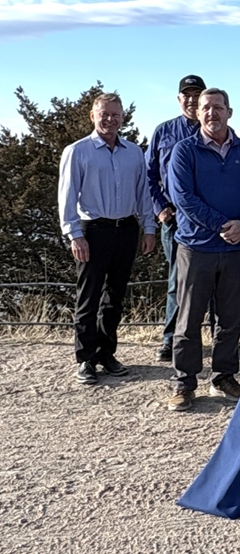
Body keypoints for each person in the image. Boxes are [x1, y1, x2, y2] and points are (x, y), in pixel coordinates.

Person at [166, 88, 240, 412]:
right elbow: (184, 198)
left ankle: (224, 376)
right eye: (206, 107)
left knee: (231, 318)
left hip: (238, 248)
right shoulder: (184, 151)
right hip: (197, 248)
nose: (212, 112)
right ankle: (184, 382)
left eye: (218, 107)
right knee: (189, 318)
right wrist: (223, 224)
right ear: (198, 113)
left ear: (230, 111)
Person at [58, 93, 156, 385]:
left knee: (115, 297)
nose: (110, 119)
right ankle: (85, 358)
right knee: (88, 297)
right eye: (105, 114)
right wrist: (75, 235)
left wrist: (148, 228)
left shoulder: (134, 152)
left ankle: (106, 353)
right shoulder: (77, 151)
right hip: (93, 230)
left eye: (116, 114)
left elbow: (144, 194)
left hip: (126, 229)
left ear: (123, 117)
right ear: (93, 115)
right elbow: (66, 197)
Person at [145, 74, 206, 362]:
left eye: (198, 94)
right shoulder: (163, 131)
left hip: (209, 218)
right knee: (176, 280)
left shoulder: (214, 131)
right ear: (179, 98)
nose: (192, 99)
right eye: (187, 94)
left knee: (214, 280)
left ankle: (214, 334)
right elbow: (149, 175)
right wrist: (159, 208)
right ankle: (171, 339)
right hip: (174, 218)